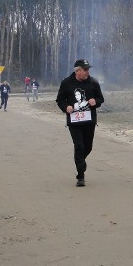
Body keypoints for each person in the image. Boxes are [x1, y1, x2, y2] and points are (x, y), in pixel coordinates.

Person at [55, 59, 104, 187]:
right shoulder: (66, 83)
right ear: (77, 71)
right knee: (79, 146)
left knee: (88, 147)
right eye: (85, 70)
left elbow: (100, 98)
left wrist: (96, 101)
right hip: (74, 122)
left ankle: (80, 161)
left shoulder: (93, 82)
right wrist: (66, 107)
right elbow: (60, 100)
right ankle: (80, 175)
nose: (88, 72)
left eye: (88, 69)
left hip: (89, 121)